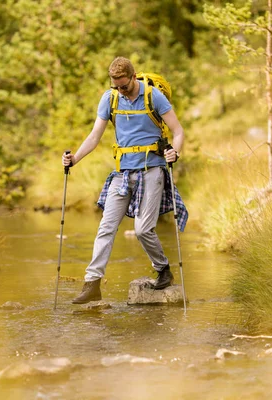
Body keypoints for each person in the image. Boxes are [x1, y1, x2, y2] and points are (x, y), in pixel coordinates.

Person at [62, 57, 188, 304]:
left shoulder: (154, 97)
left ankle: (163, 269)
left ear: (133, 77)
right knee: (106, 227)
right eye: (116, 86)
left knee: (142, 230)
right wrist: (74, 158)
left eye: (124, 85)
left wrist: (176, 151)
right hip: (122, 173)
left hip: (152, 169)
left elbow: (179, 131)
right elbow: (95, 135)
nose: (120, 90)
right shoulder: (110, 99)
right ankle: (92, 284)